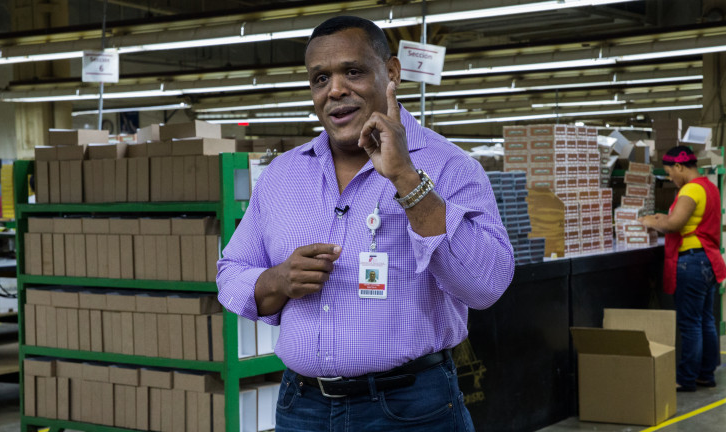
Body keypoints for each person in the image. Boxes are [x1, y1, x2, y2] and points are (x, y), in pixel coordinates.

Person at [217, 15, 514, 432]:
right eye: (320, 79)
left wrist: (407, 180)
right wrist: (277, 280)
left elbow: (487, 285)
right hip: (303, 408)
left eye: (352, 72)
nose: (335, 90)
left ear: (391, 72)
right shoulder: (282, 175)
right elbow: (230, 272)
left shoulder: (449, 166)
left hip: (411, 412)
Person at [639, 146, 726, 392]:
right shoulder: (708, 186)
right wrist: (663, 218)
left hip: (692, 261)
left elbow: (675, 224)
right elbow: (688, 220)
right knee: (705, 320)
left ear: (679, 167)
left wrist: (650, 221)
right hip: (708, 260)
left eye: (669, 173)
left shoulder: (690, 189)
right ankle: (705, 374)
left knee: (690, 324)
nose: (670, 178)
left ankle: (686, 378)